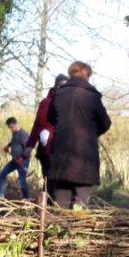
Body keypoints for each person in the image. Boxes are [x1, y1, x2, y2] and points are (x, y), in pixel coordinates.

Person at [47, 61, 112, 209]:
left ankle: (58, 227)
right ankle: (79, 227)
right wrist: (91, 133)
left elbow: (51, 118)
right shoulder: (92, 97)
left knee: (61, 198)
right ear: (86, 75)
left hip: (61, 152)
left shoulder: (59, 94)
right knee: (81, 200)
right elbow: (105, 123)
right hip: (85, 154)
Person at [28, 74, 67, 198]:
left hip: (64, 150)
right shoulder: (46, 103)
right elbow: (38, 124)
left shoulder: (69, 104)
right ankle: (47, 207)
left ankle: (57, 207)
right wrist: (30, 145)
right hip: (48, 149)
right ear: (56, 86)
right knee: (49, 178)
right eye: (61, 86)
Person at [0, 117, 31, 199]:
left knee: (22, 180)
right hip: (15, 160)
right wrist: (8, 146)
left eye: (11, 127)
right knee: (2, 174)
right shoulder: (14, 133)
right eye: (9, 127)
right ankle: (0, 195)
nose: (10, 129)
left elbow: (29, 148)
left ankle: (26, 199)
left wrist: (22, 158)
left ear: (16, 124)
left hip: (23, 161)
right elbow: (14, 142)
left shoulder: (23, 134)